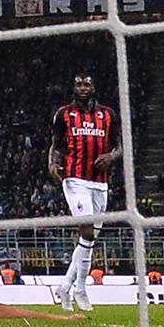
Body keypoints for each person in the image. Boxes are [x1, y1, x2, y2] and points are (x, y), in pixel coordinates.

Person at [48, 72, 121, 313]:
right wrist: (52, 164)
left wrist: (111, 156)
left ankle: (64, 286)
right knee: (87, 231)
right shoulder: (64, 114)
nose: (82, 87)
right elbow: (56, 145)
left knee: (88, 239)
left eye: (87, 84)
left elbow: (120, 146)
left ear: (94, 88)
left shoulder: (108, 115)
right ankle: (80, 287)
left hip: (100, 183)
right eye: (78, 84)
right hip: (75, 179)